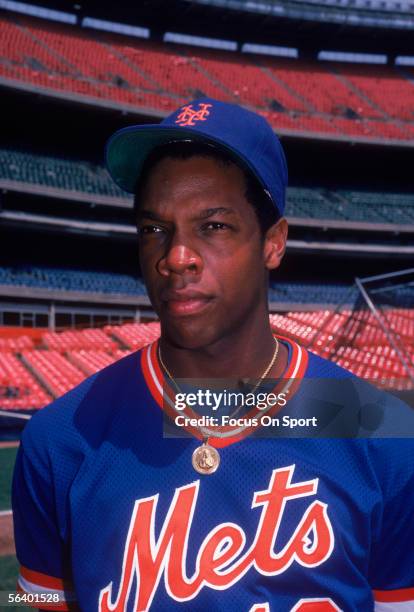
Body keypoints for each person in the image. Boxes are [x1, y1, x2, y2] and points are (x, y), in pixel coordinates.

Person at [12, 98, 414, 611]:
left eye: (214, 226)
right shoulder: (60, 442)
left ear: (273, 242)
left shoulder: (379, 436)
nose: (176, 257)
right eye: (154, 229)